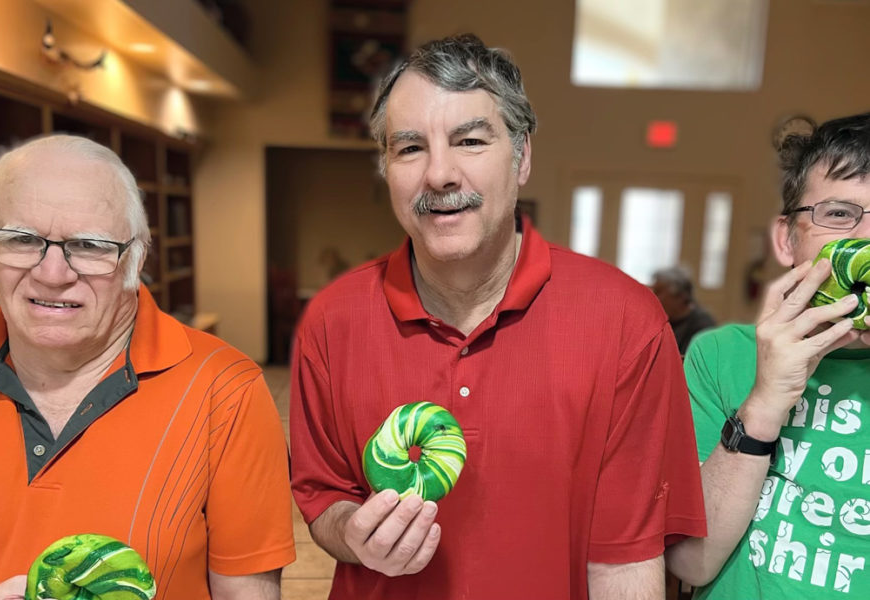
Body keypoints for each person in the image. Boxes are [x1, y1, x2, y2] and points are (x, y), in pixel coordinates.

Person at [289, 34, 706, 600]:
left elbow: (626, 559)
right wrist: (353, 533)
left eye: (469, 140)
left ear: (522, 155)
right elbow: (324, 496)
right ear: (386, 168)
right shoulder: (331, 322)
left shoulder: (626, 322)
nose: (439, 174)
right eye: (409, 148)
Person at [0, 135, 295, 600]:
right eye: (21, 240)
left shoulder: (226, 391)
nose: (53, 274)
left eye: (88, 245)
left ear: (137, 257)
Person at [666, 112, 870, 597]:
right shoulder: (718, 355)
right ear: (787, 239)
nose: (865, 240)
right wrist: (764, 402)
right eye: (839, 214)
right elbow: (690, 563)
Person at [651, 266, 717, 354]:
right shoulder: (659, 321)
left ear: (679, 295)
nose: (653, 297)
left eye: (658, 292)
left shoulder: (702, 326)